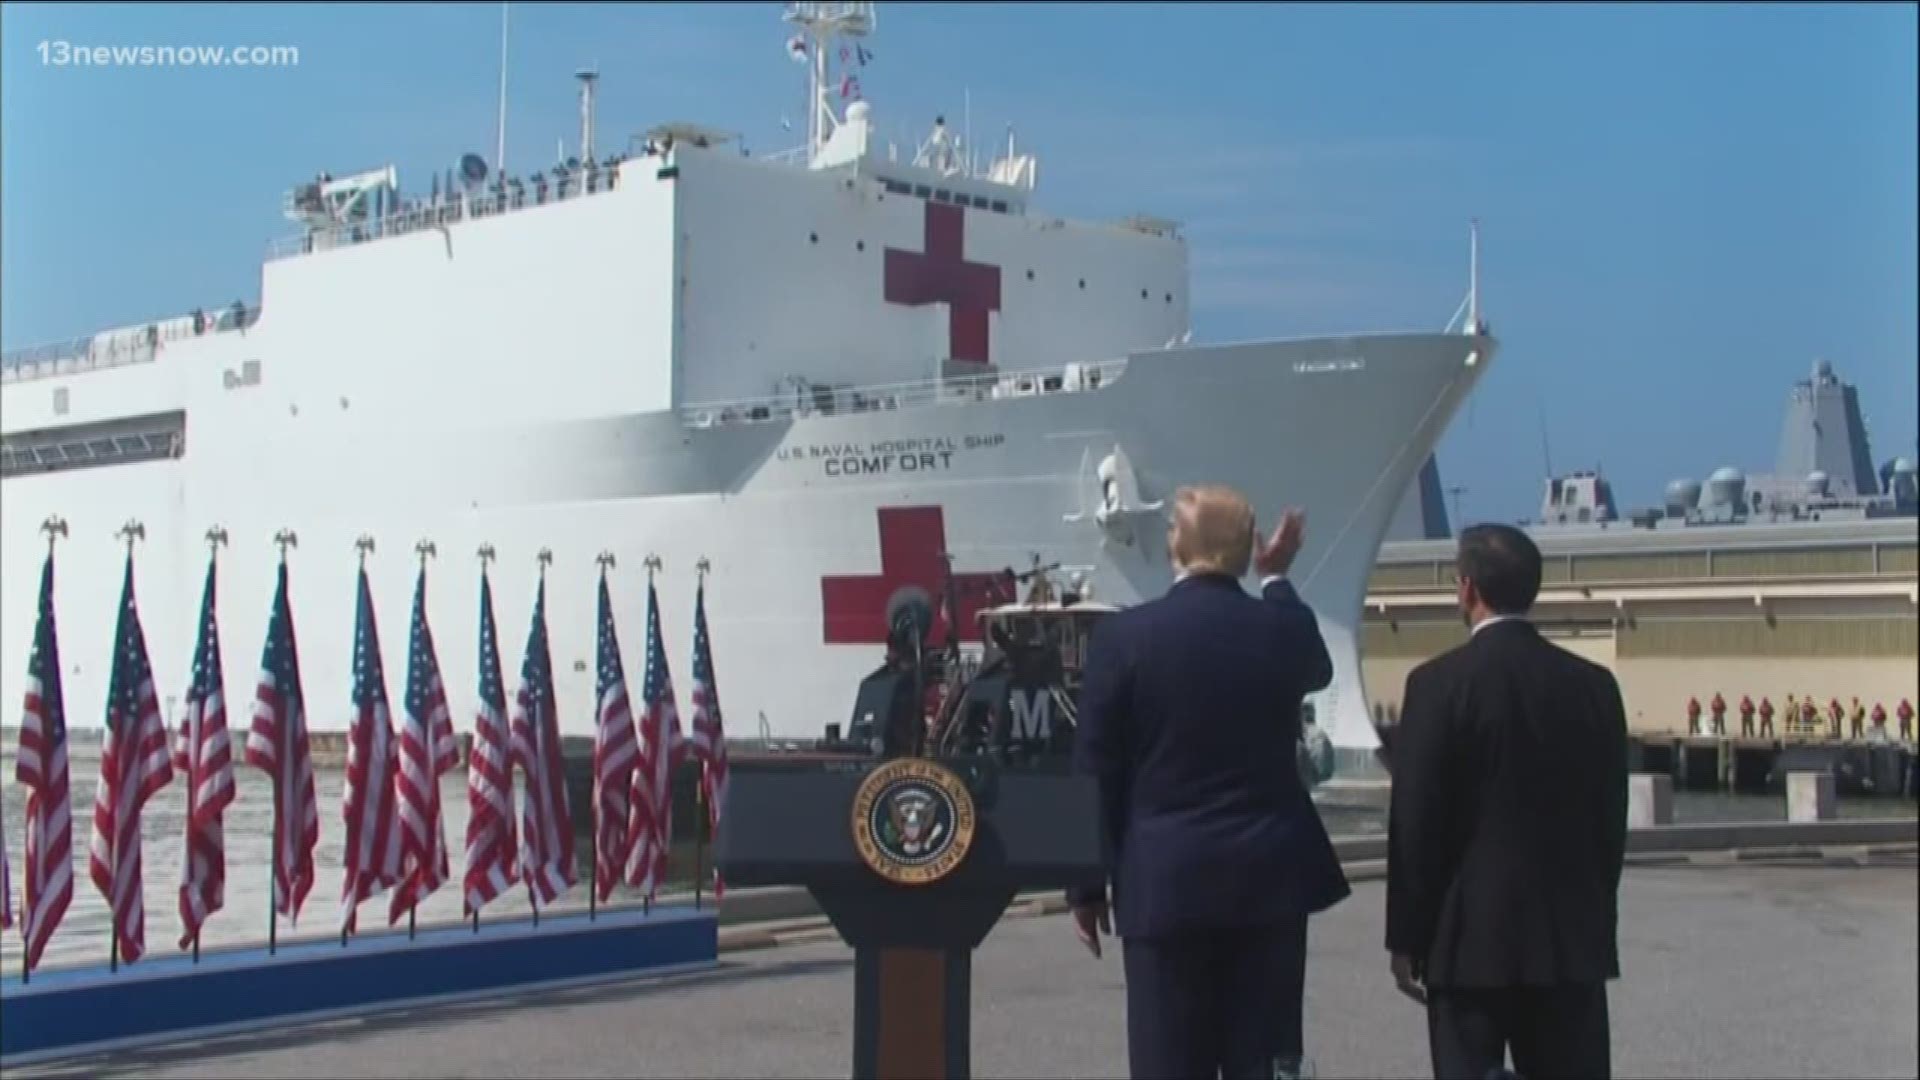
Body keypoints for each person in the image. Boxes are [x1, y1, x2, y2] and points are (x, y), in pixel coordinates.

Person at [1070, 485, 1349, 1079]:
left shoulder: (1123, 639)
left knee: (1168, 1061)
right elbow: (1318, 665)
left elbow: (1096, 767)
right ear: (1249, 551)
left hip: (1162, 884)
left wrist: (1086, 886)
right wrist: (1275, 579)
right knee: (1265, 1061)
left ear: (1174, 545)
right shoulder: (1280, 630)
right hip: (1269, 887)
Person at [1385, 523, 1628, 1080]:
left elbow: (1415, 824)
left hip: (1467, 945)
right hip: (1569, 940)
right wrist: (1594, 913)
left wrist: (1406, 938)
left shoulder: (1436, 685)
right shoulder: (1594, 685)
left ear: (1468, 589)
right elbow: (1609, 819)